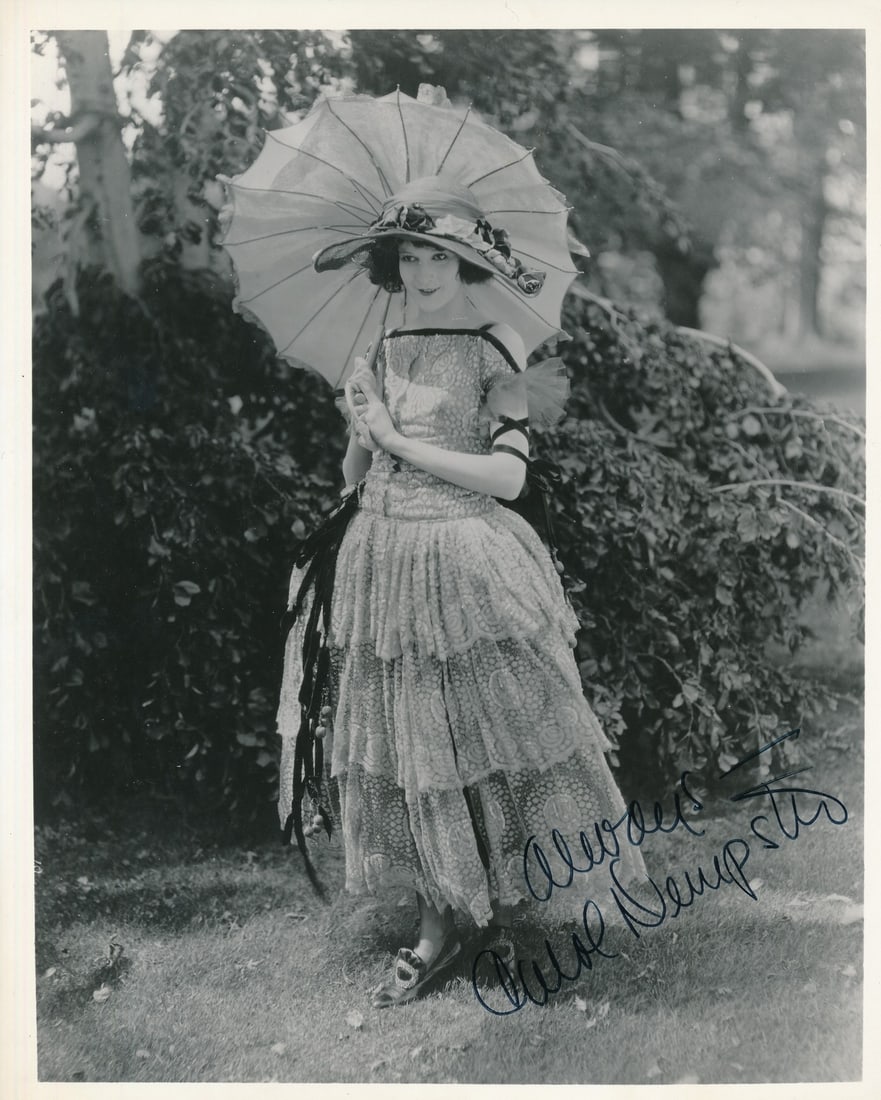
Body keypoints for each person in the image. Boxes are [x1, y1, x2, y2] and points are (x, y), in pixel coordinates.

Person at [276, 178, 646, 1008]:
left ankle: (507, 907)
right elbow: (354, 476)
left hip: (461, 552)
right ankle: (438, 921)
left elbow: (508, 479)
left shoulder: (494, 345)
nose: (420, 268)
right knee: (409, 743)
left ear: (466, 262)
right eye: (407, 253)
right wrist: (360, 428)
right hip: (382, 554)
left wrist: (401, 439)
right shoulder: (376, 348)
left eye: (437, 254)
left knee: (495, 730)